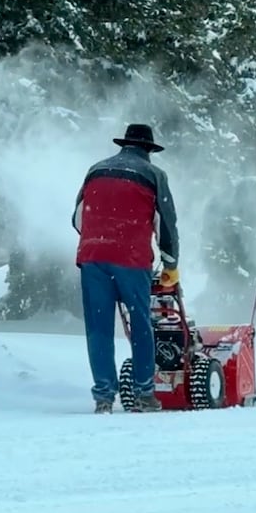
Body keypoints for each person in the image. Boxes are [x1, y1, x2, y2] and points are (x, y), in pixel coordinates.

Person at [71, 123, 180, 414]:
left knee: (99, 327)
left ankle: (104, 397)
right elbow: (167, 225)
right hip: (131, 259)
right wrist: (171, 265)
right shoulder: (154, 175)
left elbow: (78, 219)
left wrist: (99, 238)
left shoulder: (95, 169)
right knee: (142, 323)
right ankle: (144, 393)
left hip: (92, 257)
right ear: (148, 150)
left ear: (125, 144)